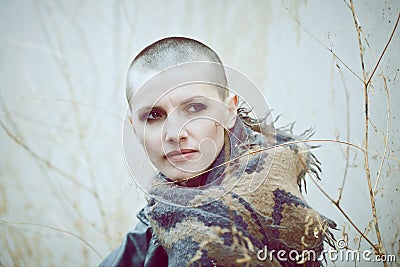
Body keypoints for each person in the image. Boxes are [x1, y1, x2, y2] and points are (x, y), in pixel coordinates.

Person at [100, 37, 335, 267]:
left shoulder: (260, 200)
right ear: (135, 127)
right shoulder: (161, 214)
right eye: (153, 116)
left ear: (229, 110)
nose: (174, 133)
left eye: (194, 108)